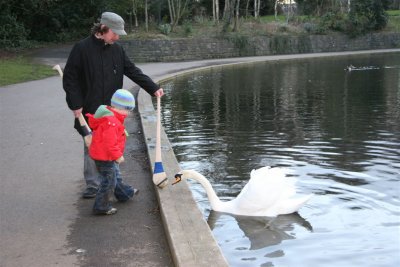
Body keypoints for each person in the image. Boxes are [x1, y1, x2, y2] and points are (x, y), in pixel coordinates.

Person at [63, 12, 164, 198]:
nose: (117, 37)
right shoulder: (82, 49)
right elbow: (70, 78)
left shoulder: (117, 50)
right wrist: (75, 103)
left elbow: (132, 70)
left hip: (112, 112)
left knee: (112, 146)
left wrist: (153, 87)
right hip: (90, 110)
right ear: (103, 29)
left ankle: (113, 186)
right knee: (91, 145)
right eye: (114, 33)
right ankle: (94, 185)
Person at [87, 89, 137, 215]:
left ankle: (124, 193)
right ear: (120, 108)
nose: (129, 113)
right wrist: (118, 156)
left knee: (115, 175)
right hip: (105, 157)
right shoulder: (112, 122)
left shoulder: (112, 116)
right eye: (128, 109)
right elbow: (110, 143)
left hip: (104, 155)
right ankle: (101, 206)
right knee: (108, 181)